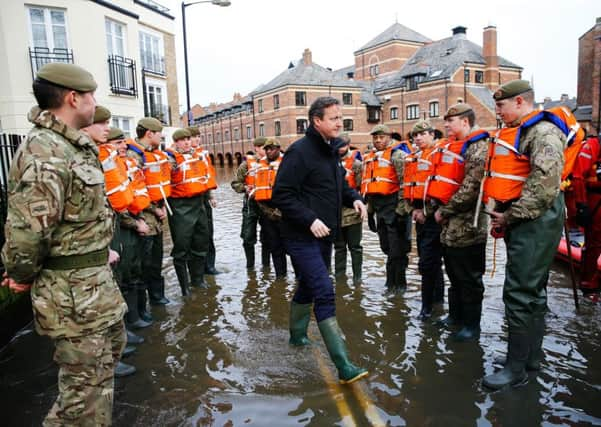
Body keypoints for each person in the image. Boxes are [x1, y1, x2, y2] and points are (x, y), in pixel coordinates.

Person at [1, 62, 127, 425]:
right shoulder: (46, 151)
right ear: (73, 98)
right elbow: (28, 230)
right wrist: (20, 274)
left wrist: (101, 250)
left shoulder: (71, 146)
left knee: (96, 380)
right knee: (84, 393)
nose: (96, 103)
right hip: (73, 297)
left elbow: (77, 217)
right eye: (92, 96)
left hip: (94, 288)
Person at [271, 96, 368, 384]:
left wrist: (356, 200)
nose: (340, 122)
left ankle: (297, 337)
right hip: (301, 235)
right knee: (324, 289)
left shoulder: (329, 151)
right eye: (334, 118)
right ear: (317, 121)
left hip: (325, 234)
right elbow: (281, 195)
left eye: (341, 117)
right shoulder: (299, 152)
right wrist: (309, 219)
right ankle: (344, 366)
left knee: (310, 287)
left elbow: (339, 185)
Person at [482, 80, 566, 389]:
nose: (498, 112)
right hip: (530, 218)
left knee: (519, 292)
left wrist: (509, 215)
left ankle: (515, 368)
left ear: (520, 102)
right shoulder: (526, 131)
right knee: (533, 290)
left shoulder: (541, 132)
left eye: (501, 106)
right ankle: (531, 359)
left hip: (534, 220)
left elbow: (543, 187)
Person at [82, 109, 138, 376]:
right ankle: (106, 361)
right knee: (97, 304)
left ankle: (115, 351)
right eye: (102, 123)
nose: (108, 128)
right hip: (87, 247)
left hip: (107, 230)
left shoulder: (98, 156)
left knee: (113, 291)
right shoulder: (84, 157)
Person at [430, 105, 489, 341]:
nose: (446, 125)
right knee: (454, 274)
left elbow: (471, 189)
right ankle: (455, 317)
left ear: (465, 122)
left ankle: (471, 325)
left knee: (470, 277)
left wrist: (445, 210)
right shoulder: (454, 146)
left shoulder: (478, 147)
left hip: (469, 225)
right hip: (450, 226)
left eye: (450, 120)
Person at [127, 118, 171, 312]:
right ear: (149, 133)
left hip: (157, 220)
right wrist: (155, 209)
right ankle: (142, 309)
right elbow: (136, 190)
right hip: (145, 219)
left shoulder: (155, 155)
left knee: (156, 261)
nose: (162, 136)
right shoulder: (134, 156)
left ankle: (157, 298)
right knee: (143, 266)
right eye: (159, 132)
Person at [362, 124, 411, 295]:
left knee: (397, 251)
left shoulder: (398, 156)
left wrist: (401, 211)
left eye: (381, 137)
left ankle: (397, 286)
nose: (378, 140)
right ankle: (393, 285)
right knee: (386, 248)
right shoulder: (371, 158)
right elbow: (370, 189)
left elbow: (405, 184)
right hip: (379, 208)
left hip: (394, 208)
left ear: (389, 137)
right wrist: (369, 213)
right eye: (375, 138)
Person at [404, 120, 445, 320]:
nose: (418, 138)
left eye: (422, 134)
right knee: (429, 261)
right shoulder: (414, 158)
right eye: (415, 135)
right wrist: (414, 208)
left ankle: (427, 307)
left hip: (435, 216)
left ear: (432, 135)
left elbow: (443, 188)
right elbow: (412, 187)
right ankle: (437, 301)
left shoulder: (441, 154)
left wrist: (425, 210)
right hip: (420, 216)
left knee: (428, 262)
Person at [165, 128, 210, 295]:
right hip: (180, 207)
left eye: (188, 139)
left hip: (198, 204)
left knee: (201, 242)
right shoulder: (170, 158)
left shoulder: (196, 156)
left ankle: (198, 280)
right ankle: (184, 287)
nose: (186, 142)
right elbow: (162, 180)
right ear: (176, 142)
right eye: (182, 140)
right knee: (182, 247)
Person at [571, 133, 601, 302]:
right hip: (595, 200)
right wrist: (581, 205)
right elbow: (578, 176)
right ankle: (589, 285)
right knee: (594, 243)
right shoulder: (592, 146)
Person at [231, 137, 268, 269]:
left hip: (267, 205)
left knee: (268, 237)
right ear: (257, 148)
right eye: (264, 147)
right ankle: (250, 267)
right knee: (248, 236)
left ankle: (266, 266)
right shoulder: (246, 165)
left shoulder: (272, 163)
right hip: (250, 204)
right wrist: (245, 188)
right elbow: (235, 183)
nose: (267, 150)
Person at [188, 127, 220, 275]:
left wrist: (211, 196)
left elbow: (207, 178)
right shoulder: (181, 155)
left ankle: (210, 266)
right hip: (190, 200)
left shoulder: (203, 155)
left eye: (198, 137)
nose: (197, 140)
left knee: (208, 232)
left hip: (204, 198)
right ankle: (196, 270)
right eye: (193, 137)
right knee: (195, 235)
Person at [254, 138, 287, 278]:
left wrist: (282, 211)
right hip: (268, 213)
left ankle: (299, 278)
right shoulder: (259, 166)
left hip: (286, 213)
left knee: (292, 246)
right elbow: (257, 191)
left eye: (271, 148)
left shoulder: (288, 164)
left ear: (279, 149)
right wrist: (269, 212)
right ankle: (280, 278)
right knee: (275, 247)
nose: (268, 151)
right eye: (267, 149)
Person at [334, 132, 364, 284]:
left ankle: (357, 278)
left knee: (355, 247)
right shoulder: (330, 162)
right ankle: (340, 278)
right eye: (338, 145)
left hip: (353, 212)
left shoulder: (357, 165)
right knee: (339, 247)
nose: (340, 149)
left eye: (343, 145)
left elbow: (360, 187)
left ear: (348, 145)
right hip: (336, 213)